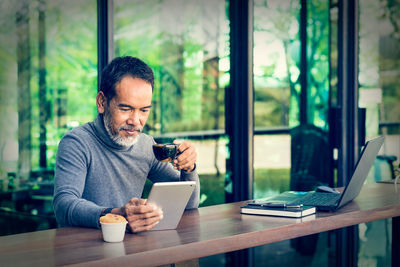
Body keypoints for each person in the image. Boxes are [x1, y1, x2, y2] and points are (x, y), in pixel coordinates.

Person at [53, 56, 200, 233]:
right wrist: (116, 216)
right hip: (85, 252)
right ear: (102, 103)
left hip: (132, 251)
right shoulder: (77, 143)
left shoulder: (146, 146)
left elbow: (189, 203)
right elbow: (64, 205)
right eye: (125, 109)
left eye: (144, 110)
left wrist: (189, 168)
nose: (135, 121)